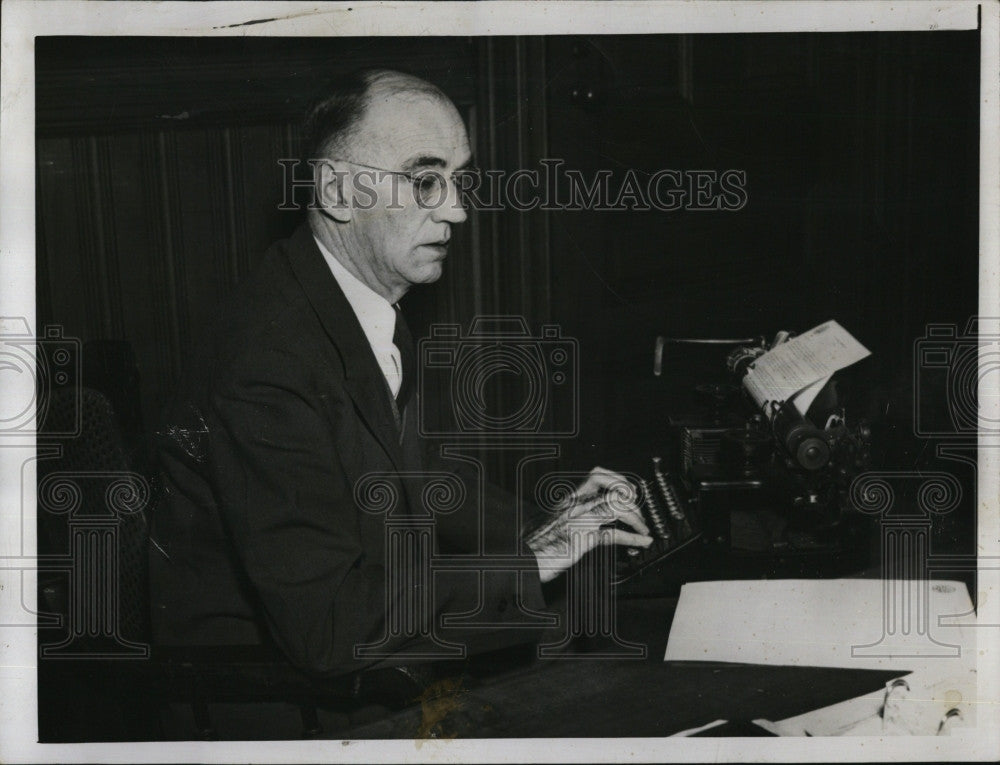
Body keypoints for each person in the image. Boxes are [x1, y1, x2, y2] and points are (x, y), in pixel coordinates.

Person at [148, 68, 652, 683]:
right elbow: (328, 627)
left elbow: (407, 473)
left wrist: (538, 525)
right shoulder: (266, 364)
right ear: (336, 193)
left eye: (458, 180)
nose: (459, 211)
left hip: (366, 644)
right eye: (425, 180)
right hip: (269, 701)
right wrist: (537, 559)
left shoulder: (351, 296)